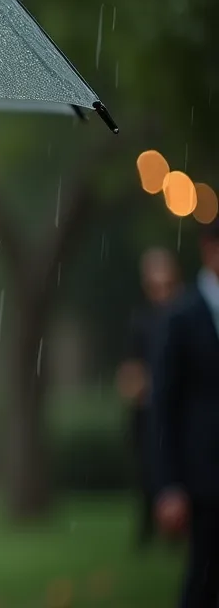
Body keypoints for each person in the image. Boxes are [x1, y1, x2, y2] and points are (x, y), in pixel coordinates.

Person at [151, 220, 219, 608]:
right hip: (204, 476)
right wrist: (169, 484)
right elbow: (164, 405)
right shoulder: (181, 317)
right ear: (209, 248)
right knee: (203, 579)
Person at [118, 247, 180, 548]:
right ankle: (149, 527)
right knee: (148, 471)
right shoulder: (142, 321)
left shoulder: (183, 316)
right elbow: (131, 371)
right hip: (149, 410)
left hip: (177, 409)